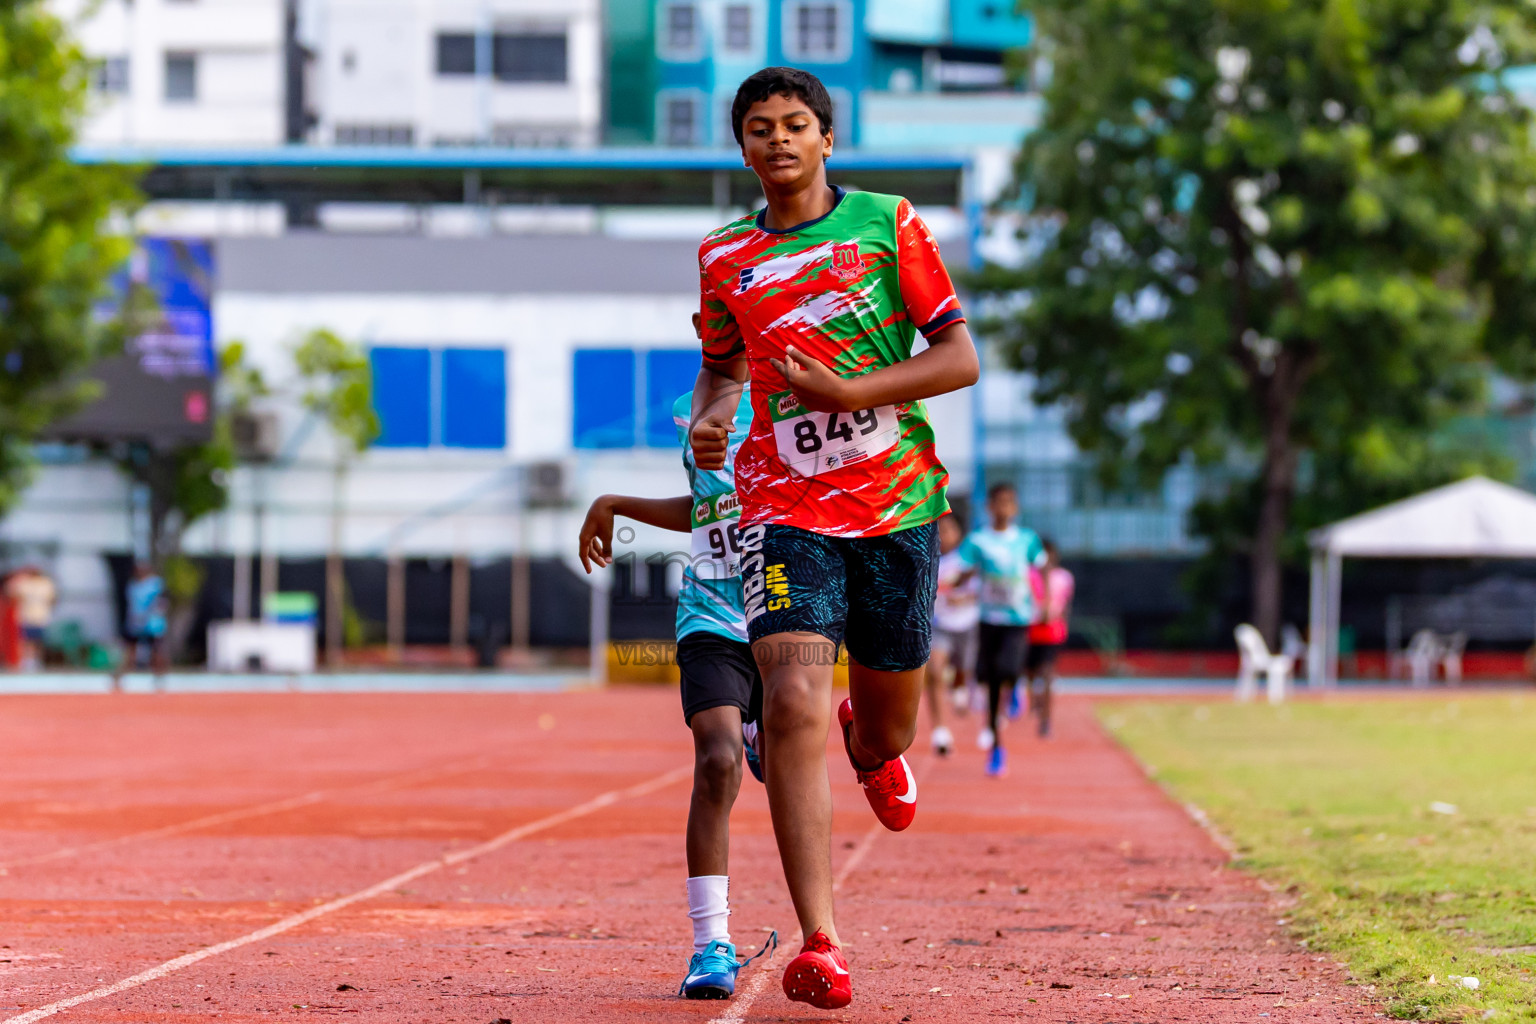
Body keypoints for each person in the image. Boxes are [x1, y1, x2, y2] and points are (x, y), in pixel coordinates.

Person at [691, 67, 978, 1010]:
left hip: (894, 509)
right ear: (743, 148)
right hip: (783, 510)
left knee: (883, 714)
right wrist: (711, 415)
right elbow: (722, 368)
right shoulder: (725, 258)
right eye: (761, 128)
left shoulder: (887, 225)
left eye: (797, 125)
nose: (779, 140)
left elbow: (960, 358)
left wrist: (849, 393)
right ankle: (823, 940)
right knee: (792, 698)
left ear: (826, 140)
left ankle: (874, 745)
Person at [578, 337, 774, 1001]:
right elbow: (708, 511)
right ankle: (710, 944)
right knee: (715, 762)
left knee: (782, 763)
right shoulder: (691, 413)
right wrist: (616, 502)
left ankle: (765, 731)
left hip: (785, 613)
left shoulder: (798, 393)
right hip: (711, 616)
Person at [958, 482, 1047, 778]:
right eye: (998, 502)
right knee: (991, 680)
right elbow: (966, 569)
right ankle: (997, 747)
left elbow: (1041, 568)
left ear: (1016, 507)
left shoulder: (1027, 539)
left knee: (1008, 667)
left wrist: (1044, 600)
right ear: (990, 506)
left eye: (1009, 502)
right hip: (988, 618)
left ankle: (1017, 684)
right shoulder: (978, 540)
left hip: (1018, 618)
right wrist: (952, 586)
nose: (1003, 508)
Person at [926, 514, 978, 755]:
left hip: (967, 625)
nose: (944, 535)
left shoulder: (967, 560)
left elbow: (983, 590)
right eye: (940, 530)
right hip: (940, 625)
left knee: (964, 670)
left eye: (949, 529)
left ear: (959, 533)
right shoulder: (928, 561)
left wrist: (964, 598)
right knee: (935, 671)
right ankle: (940, 730)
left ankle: (959, 686)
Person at [1025, 539, 1073, 738]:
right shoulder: (1028, 575)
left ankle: (1046, 720)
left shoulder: (1064, 577)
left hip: (1052, 631)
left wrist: (1064, 625)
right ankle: (1034, 699)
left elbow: (1066, 604)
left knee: (1047, 674)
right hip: (1029, 629)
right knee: (1029, 673)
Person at [7, 566, 56, 671]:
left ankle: (36, 660)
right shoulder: (24, 582)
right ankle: (27, 659)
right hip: (26, 616)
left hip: (40, 616)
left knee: (38, 639)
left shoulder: (45, 583)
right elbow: (11, 594)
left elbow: (52, 598)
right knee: (26, 639)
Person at [124, 563, 168, 674]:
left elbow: (161, 602)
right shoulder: (133, 585)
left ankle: (159, 674)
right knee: (131, 648)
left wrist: (153, 614)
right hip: (135, 623)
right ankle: (129, 672)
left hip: (153, 623)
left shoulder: (156, 584)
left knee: (156, 649)